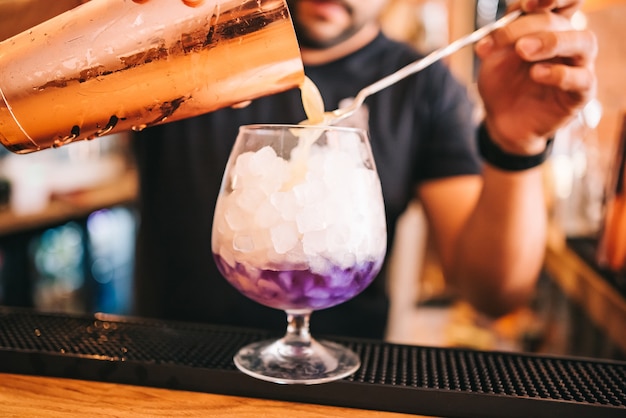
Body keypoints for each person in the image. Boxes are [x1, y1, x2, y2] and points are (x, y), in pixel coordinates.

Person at [131, 0, 597, 339]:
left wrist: (517, 143)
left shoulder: (424, 86)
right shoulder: (181, 49)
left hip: (345, 381)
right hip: (165, 363)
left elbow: (493, 293)